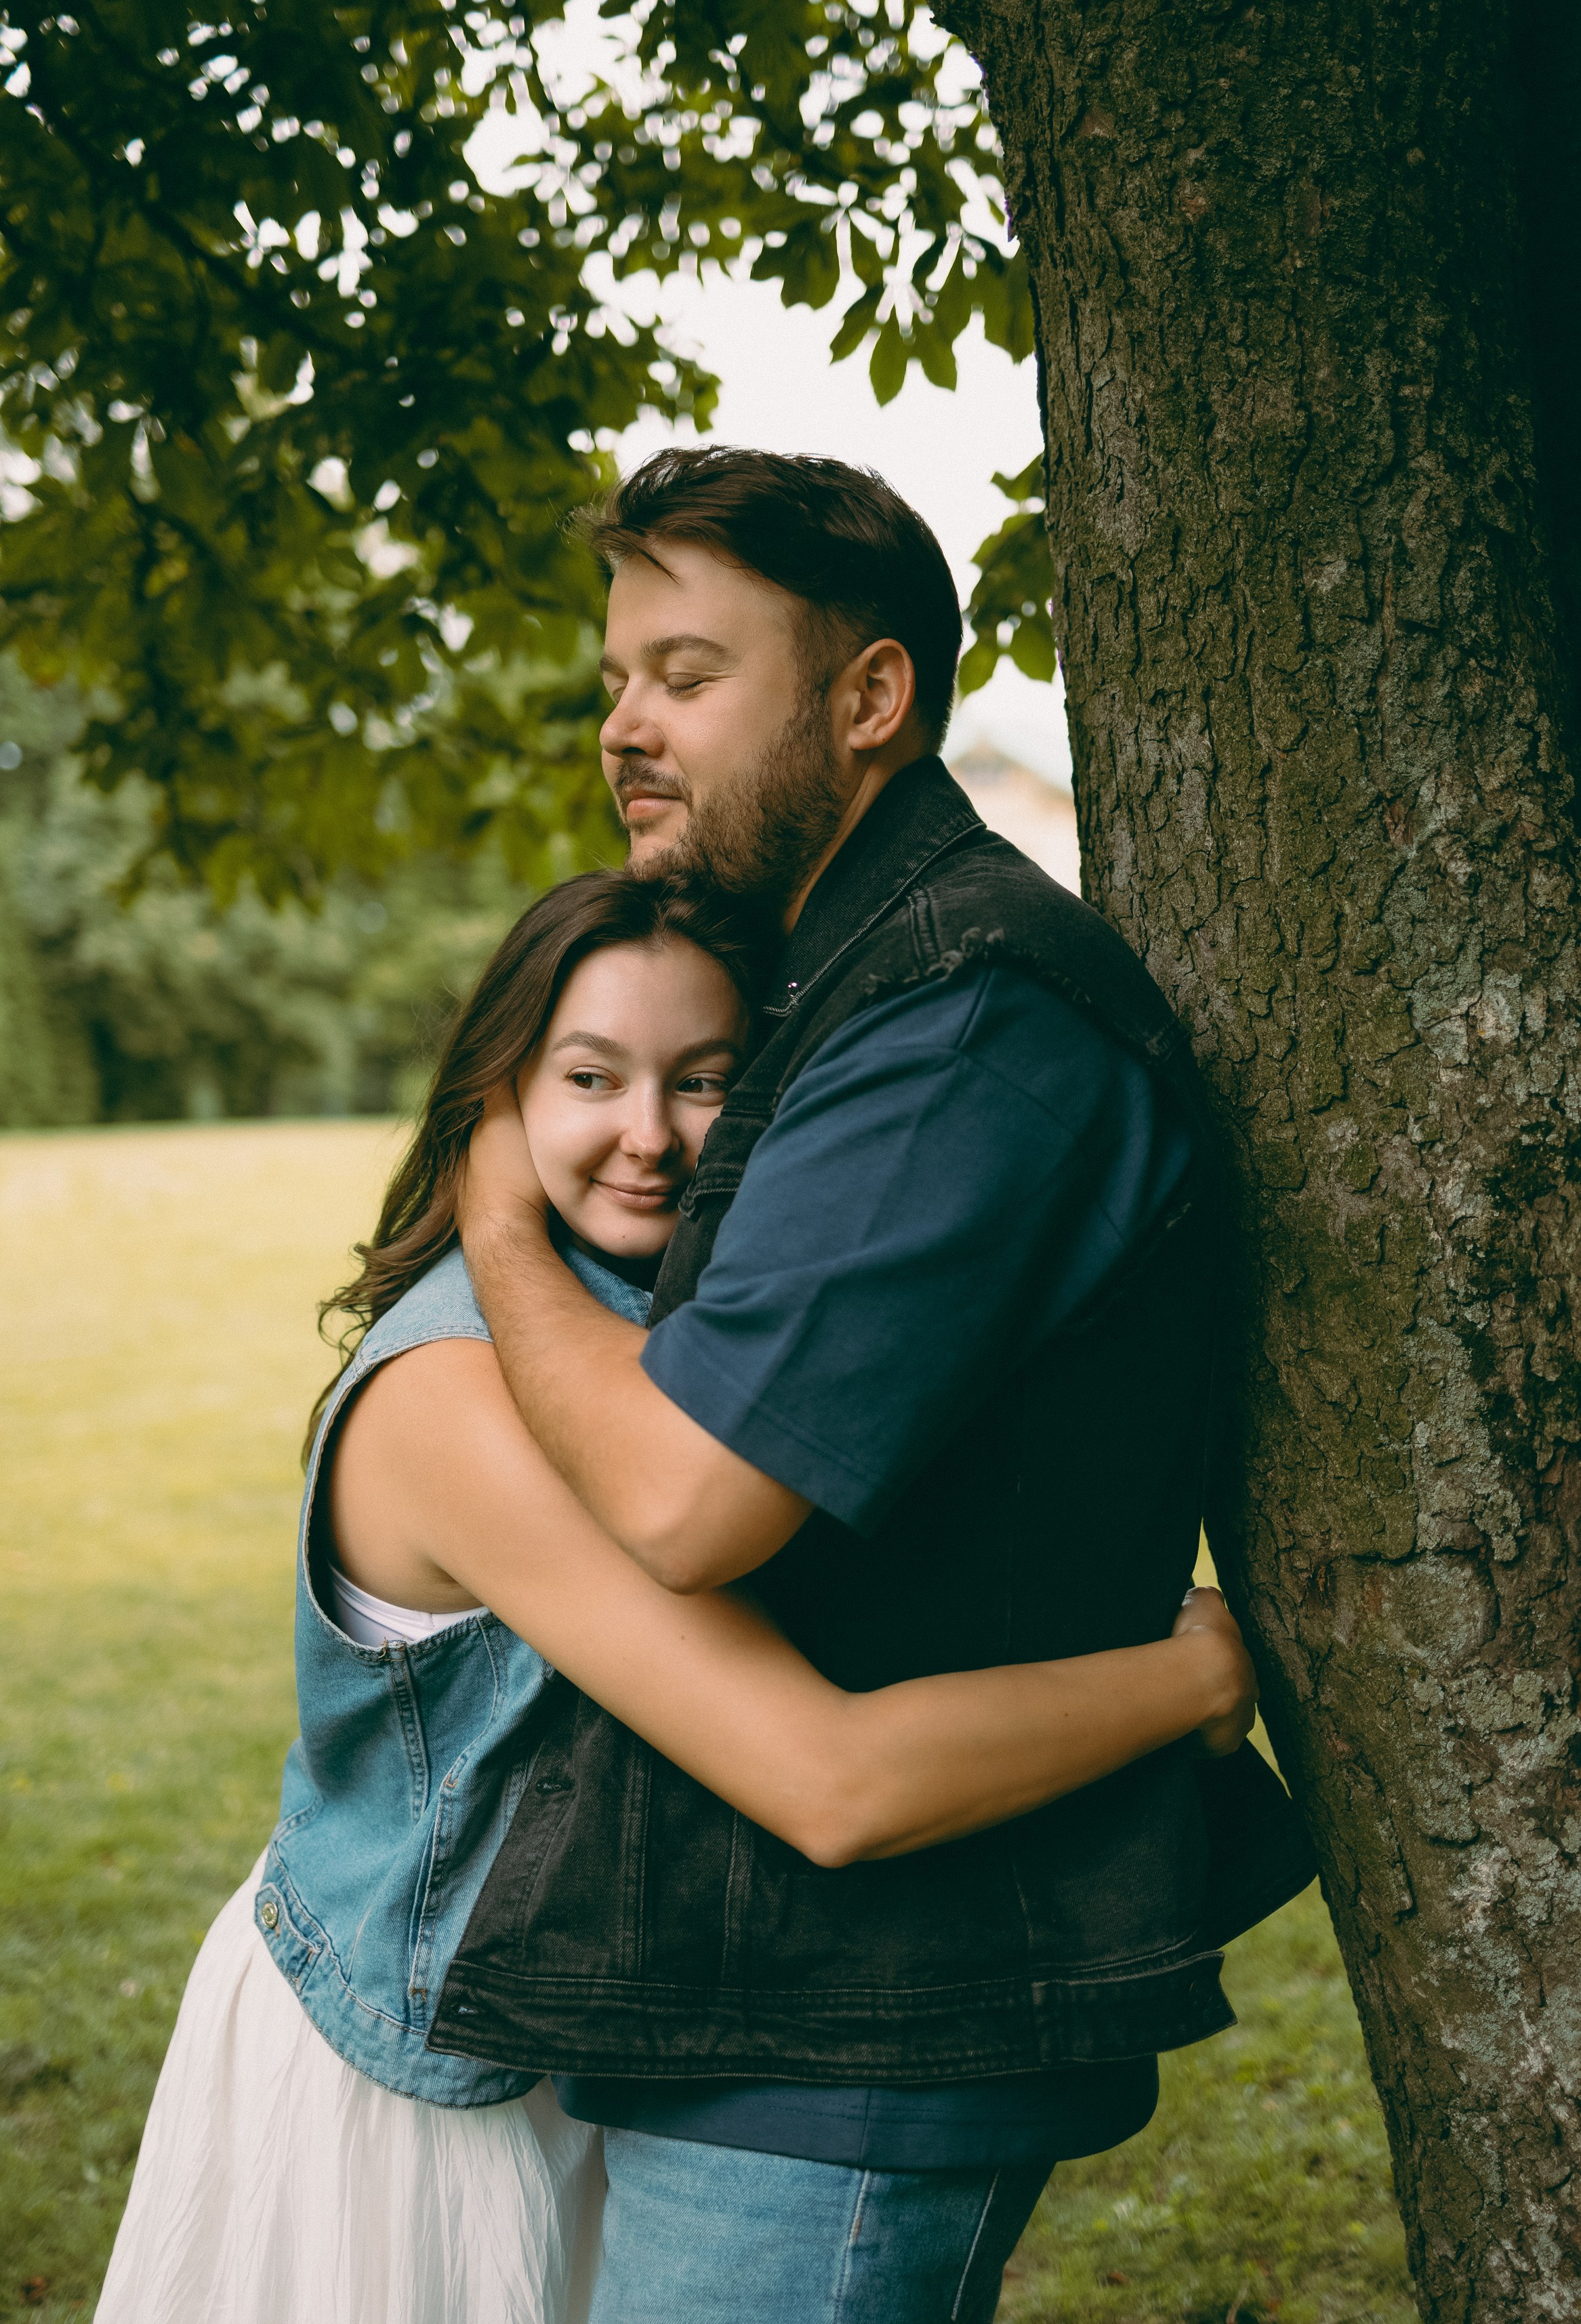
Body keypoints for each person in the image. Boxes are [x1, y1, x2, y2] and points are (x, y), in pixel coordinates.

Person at [95, 870, 1261, 2324]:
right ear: (496, 1100)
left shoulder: (657, 1354)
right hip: (409, 2086)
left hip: (593, 2031)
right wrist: (1194, 1679)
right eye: (591, 1077)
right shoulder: (462, 1398)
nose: (649, 1136)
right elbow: (828, 1777)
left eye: (704, 1080)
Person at [434, 448, 1318, 2323]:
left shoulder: (966, 1017)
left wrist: (495, 1218)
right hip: (778, 1995)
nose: (624, 725)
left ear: (867, 698)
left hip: (859, 2028)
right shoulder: (836, 983)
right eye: (613, 681)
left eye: (683, 672)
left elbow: (683, 1497)